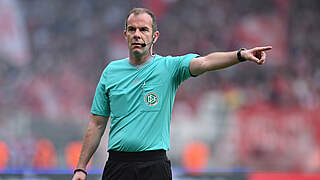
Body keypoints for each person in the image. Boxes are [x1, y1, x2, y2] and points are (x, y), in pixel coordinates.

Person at [72, 7, 272, 180]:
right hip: (118, 164)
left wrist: (241, 55)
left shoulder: (169, 67)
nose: (137, 34)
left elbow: (205, 62)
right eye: (132, 29)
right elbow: (97, 123)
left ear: (154, 36)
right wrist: (81, 167)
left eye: (143, 29)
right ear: (125, 35)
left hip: (154, 165)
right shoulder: (111, 72)